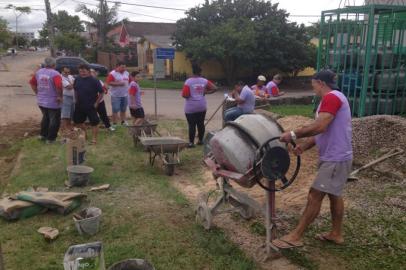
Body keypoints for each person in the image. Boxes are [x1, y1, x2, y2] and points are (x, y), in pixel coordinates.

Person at [273, 70, 352, 249]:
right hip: (337, 156)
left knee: (314, 195)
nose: (313, 88)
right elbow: (323, 130)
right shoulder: (335, 97)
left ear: (320, 83)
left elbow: (320, 125)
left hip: (335, 158)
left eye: (313, 85)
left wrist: (292, 134)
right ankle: (336, 234)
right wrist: (304, 146)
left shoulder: (331, 98)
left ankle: (295, 236)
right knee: (334, 195)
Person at [182, 64, 217, 148]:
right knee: (201, 124)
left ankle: (191, 143)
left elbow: (185, 95)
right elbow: (215, 88)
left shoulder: (188, 82)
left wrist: (191, 94)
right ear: (200, 72)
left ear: (193, 72)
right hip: (202, 106)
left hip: (191, 107)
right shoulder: (204, 81)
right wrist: (205, 93)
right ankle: (201, 141)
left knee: (191, 125)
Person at [29, 57, 63, 143]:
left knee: (45, 118)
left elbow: (32, 83)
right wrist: (59, 96)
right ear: (53, 65)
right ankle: (51, 139)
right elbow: (59, 86)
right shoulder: (55, 74)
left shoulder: (39, 72)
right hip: (53, 102)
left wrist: (37, 92)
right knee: (54, 120)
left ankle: (43, 135)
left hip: (41, 101)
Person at [73, 64, 104, 144]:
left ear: (88, 71)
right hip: (79, 105)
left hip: (91, 105)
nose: (82, 73)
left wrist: (97, 103)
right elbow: (75, 90)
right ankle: (84, 135)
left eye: (84, 71)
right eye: (80, 71)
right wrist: (76, 100)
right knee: (78, 122)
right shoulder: (77, 79)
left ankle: (94, 139)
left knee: (94, 122)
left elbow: (101, 92)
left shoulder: (94, 80)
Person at [106, 62, 130, 127]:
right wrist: (119, 84)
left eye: (125, 67)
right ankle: (114, 123)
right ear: (117, 66)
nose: (124, 68)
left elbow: (129, 81)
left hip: (125, 95)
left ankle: (123, 121)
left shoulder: (126, 73)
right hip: (115, 95)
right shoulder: (112, 73)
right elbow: (109, 82)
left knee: (123, 109)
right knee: (115, 109)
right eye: (122, 67)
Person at [61, 67, 75, 131]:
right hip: (66, 97)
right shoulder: (61, 78)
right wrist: (74, 84)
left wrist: (73, 84)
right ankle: (64, 127)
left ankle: (69, 126)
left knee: (71, 113)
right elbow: (69, 87)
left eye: (68, 72)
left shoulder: (70, 76)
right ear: (62, 71)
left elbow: (74, 83)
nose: (67, 73)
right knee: (65, 113)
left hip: (72, 97)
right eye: (65, 72)